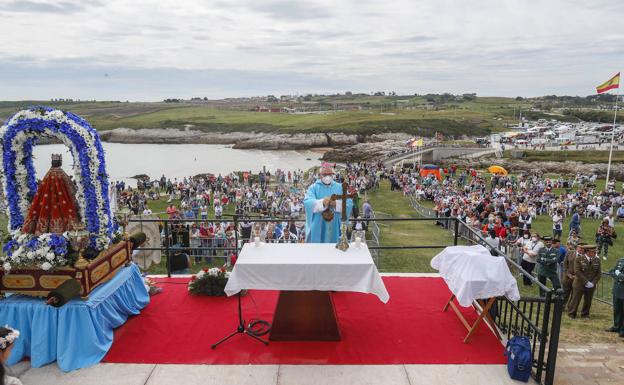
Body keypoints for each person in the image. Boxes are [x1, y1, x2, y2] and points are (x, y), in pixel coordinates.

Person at [303, 163, 353, 243]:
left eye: (330, 174)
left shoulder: (340, 187)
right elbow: (307, 202)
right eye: (325, 174)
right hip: (318, 224)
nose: (327, 176)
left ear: (333, 174)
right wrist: (322, 202)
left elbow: (349, 203)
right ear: (320, 175)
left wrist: (336, 203)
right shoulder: (313, 188)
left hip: (335, 224)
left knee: (335, 249)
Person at [568, 245, 601, 319]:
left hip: (591, 284)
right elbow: (577, 271)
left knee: (588, 300)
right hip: (579, 283)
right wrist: (586, 282)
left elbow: (599, 273)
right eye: (593, 252)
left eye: (595, 251)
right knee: (575, 299)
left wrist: (593, 283)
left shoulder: (597, 260)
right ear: (588, 252)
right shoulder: (579, 259)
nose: (595, 253)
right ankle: (572, 313)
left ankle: (585, 314)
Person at [562, 241, 583, 306]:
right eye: (580, 248)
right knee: (565, 293)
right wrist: (568, 274)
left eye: (583, 248)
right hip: (568, 277)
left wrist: (577, 276)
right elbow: (565, 265)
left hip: (578, 279)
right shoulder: (570, 253)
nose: (581, 249)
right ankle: (561, 306)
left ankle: (570, 307)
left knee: (574, 295)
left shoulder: (584, 257)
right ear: (577, 247)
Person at [607, 256, 624, 337]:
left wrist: (619, 275)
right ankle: (617, 326)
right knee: (617, 309)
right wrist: (619, 276)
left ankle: (623, 330)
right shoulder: (621, 260)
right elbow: (611, 271)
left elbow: (618, 274)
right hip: (617, 290)